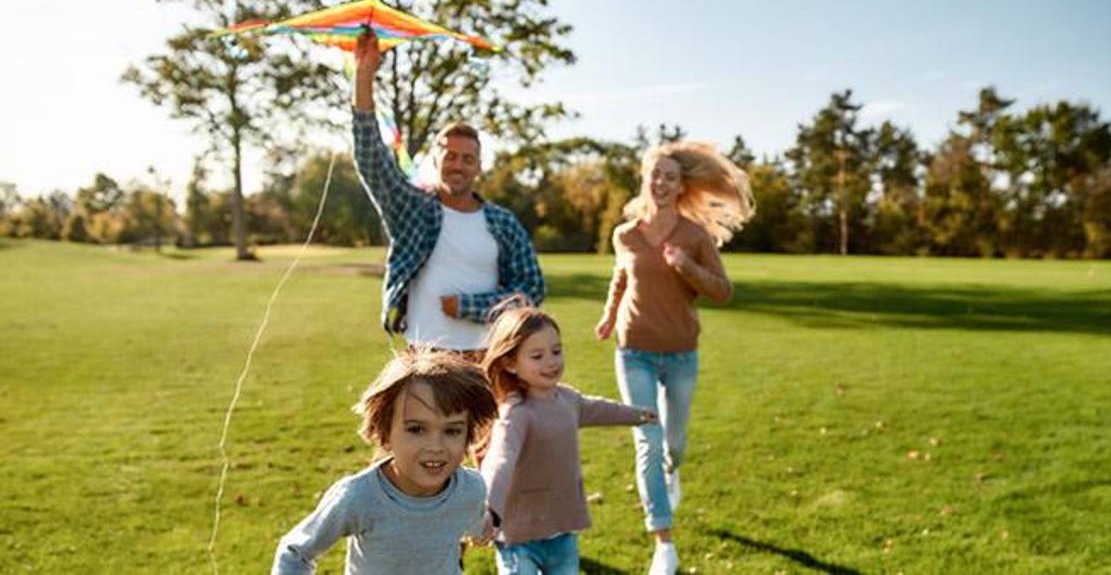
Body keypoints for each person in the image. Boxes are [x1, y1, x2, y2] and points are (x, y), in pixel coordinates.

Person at [594, 141, 754, 575]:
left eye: (670, 177)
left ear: (681, 186)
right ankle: (663, 542)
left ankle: (673, 471)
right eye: (655, 175)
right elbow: (620, 278)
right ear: (644, 180)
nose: (661, 183)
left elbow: (722, 290)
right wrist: (609, 318)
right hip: (634, 352)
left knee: (673, 445)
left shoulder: (694, 235)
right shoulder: (624, 234)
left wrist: (687, 267)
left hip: (681, 354)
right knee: (647, 439)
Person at [352, 31, 544, 356]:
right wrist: (363, 75)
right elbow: (371, 157)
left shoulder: (502, 222)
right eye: (450, 156)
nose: (458, 165)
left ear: (479, 166)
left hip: (489, 356)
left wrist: (472, 306)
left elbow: (532, 288)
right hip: (425, 355)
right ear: (435, 160)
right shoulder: (413, 209)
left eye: (467, 159)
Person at [272, 348, 498, 574]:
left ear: (469, 435)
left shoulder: (471, 488)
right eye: (417, 429)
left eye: (452, 431)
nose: (436, 447)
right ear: (385, 434)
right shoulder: (357, 497)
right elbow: (296, 552)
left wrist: (483, 529)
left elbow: (477, 522)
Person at [478, 304, 657, 574]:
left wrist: (637, 414)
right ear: (511, 363)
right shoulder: (516, 414)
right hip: (519, 536)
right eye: (537, 356)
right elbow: (500, 462)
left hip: (562, 531)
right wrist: (489, 511)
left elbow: (599, 409)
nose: (551, 362)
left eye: (556, 351)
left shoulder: (568, 399)